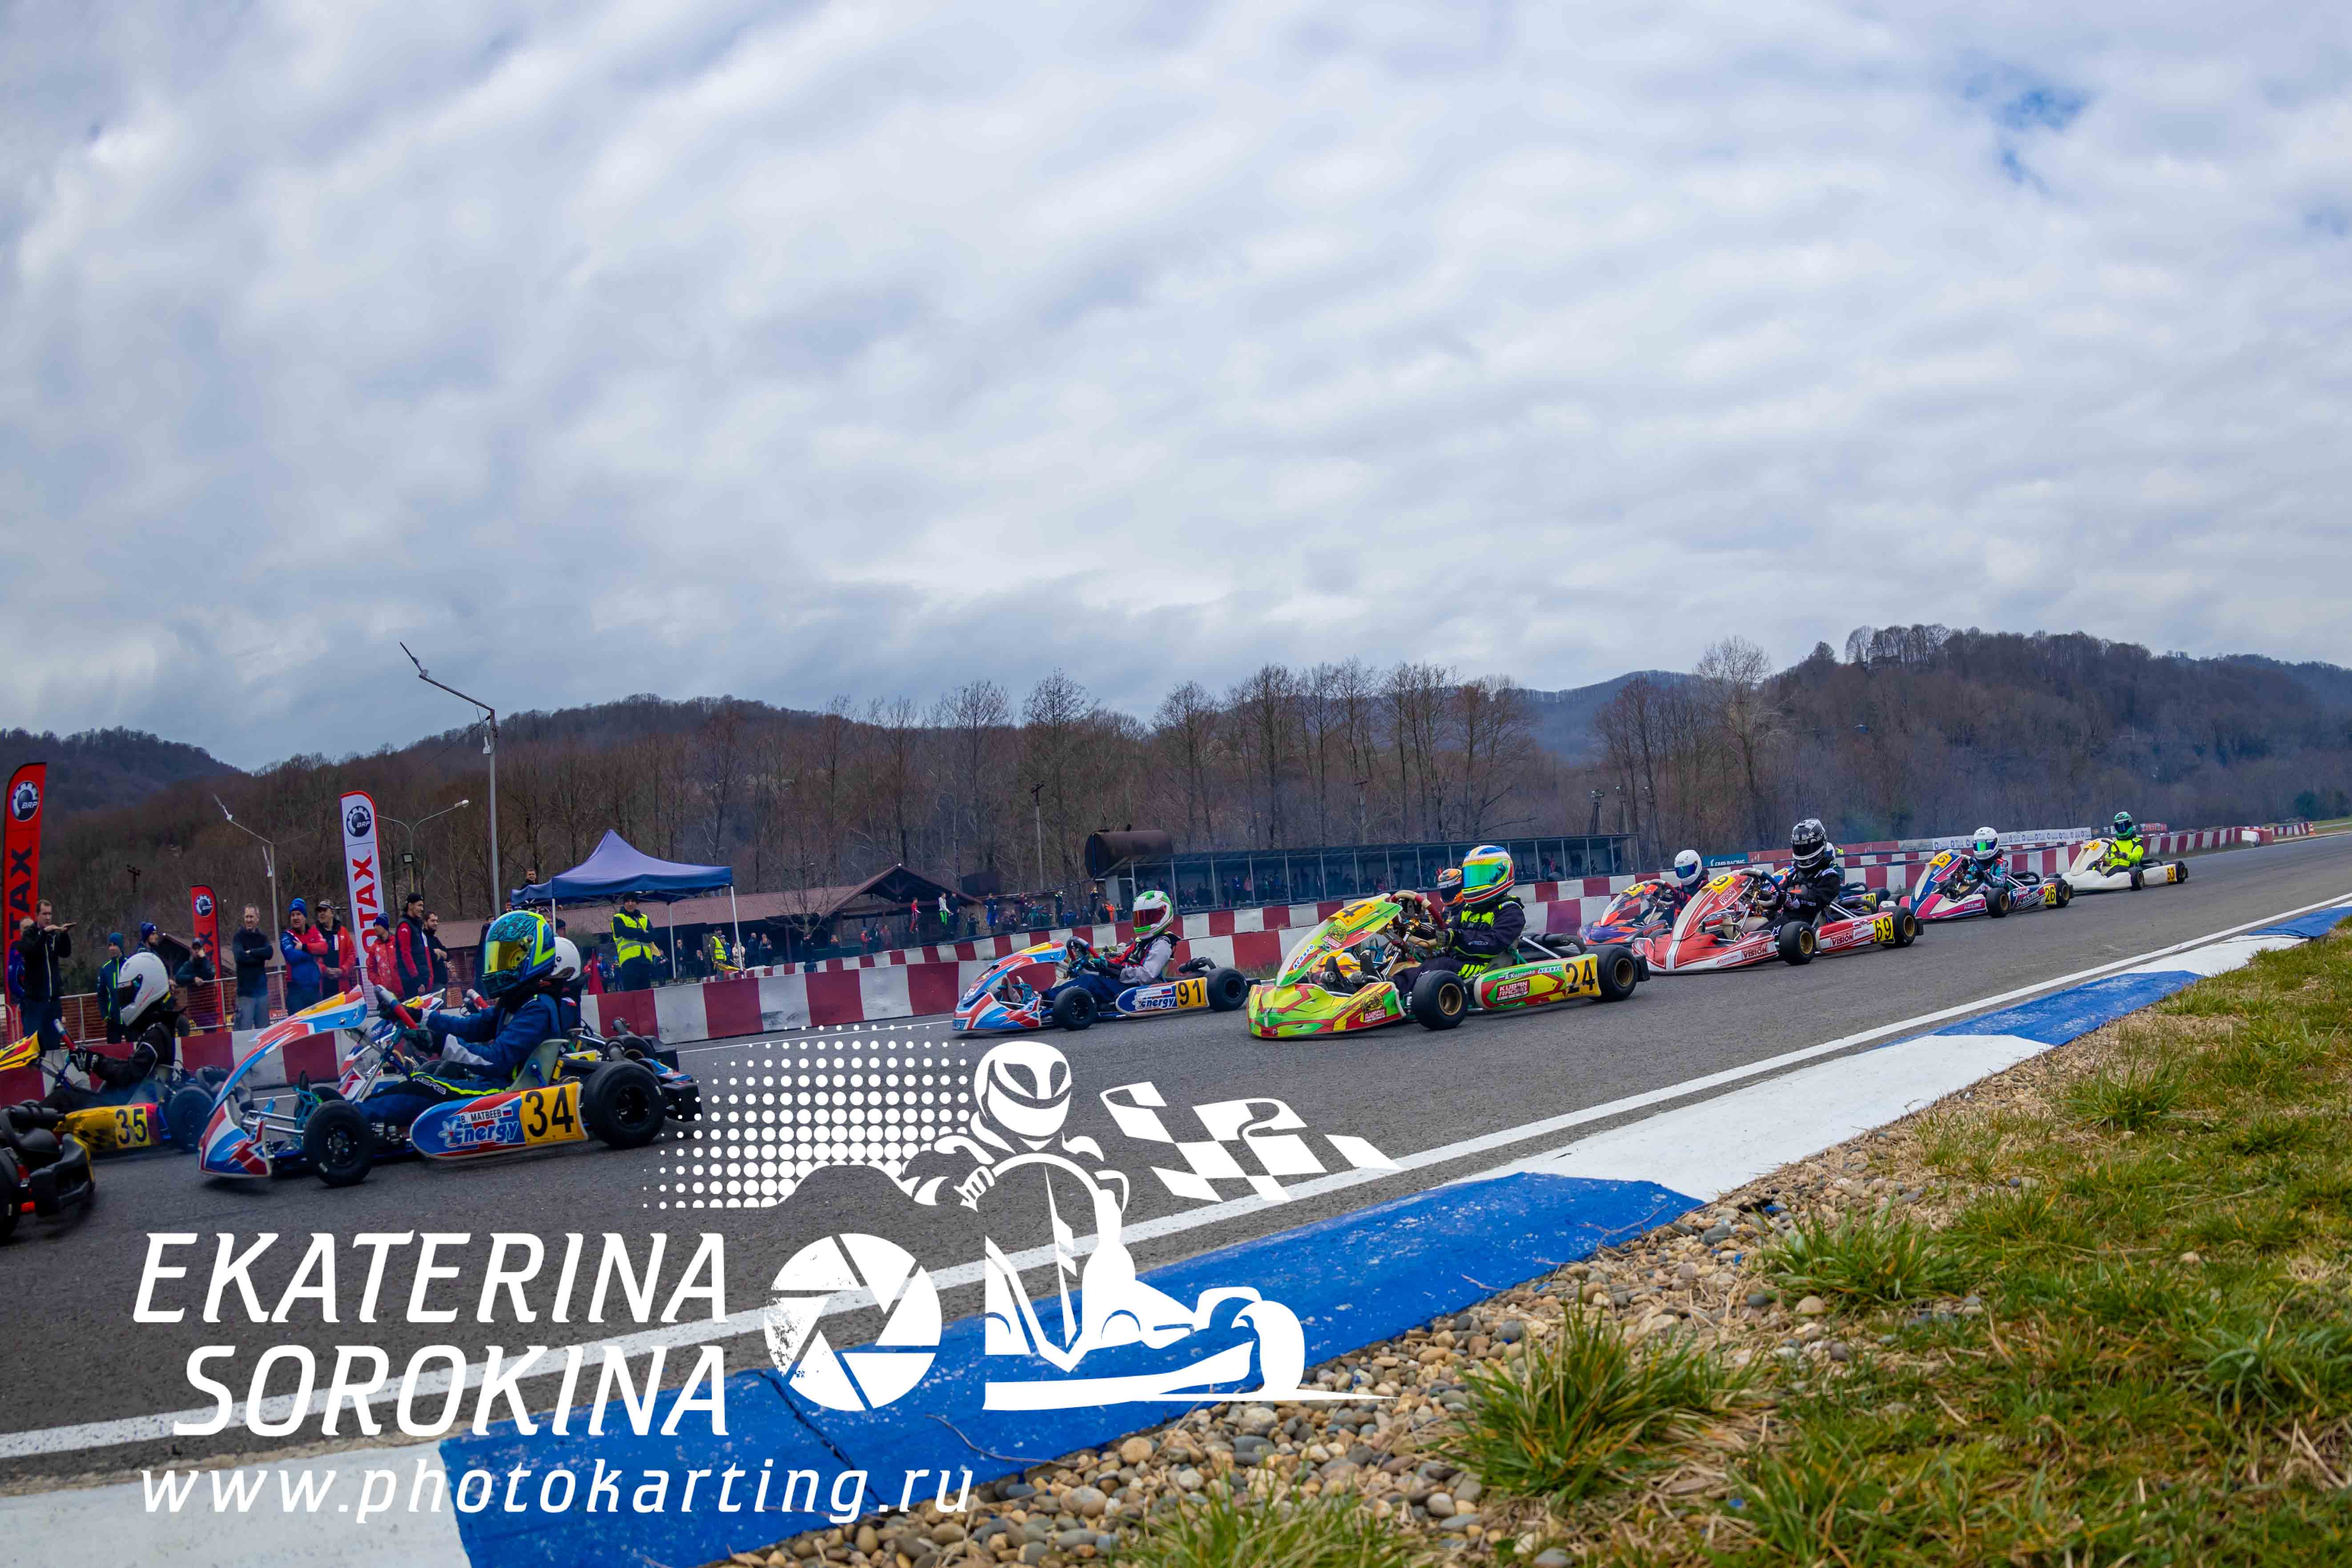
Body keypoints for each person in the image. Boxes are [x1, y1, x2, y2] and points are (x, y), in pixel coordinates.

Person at [36, 949, 177, 1111]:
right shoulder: (158, 1030)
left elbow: (128, 1075)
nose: (126, 1000)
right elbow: (131, 1068)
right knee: (65, 1092)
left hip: (127, 1111)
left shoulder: (156, 1034)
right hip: (126, 1103)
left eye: (129, 994)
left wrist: (95, 1062)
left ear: (147, 989)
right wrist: (93, 1058)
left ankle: (22, 1123)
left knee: (61, 1098)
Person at [13, 900, 74, 1052]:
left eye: (50, 914)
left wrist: (64, 935)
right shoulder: (30, 934)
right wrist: (44, 934)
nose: (48, 917)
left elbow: (65, 953)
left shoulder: (53, 934)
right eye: (44, 914)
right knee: (35, 1044)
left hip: (53, 1001)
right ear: (37, 915)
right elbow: (32, 951)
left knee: (54, 1044)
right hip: (36, 1001)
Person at [1765, 819, 1845, 930]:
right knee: (1757, 926)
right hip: (1786, 923)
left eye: (1807, 848)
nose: (1803, 852)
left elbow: (1817, 901)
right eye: (1799, 848)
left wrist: (1794, 899)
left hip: (1809, 926)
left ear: (1820, 844)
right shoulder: (1794, 876)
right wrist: (1766, 899)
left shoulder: (1829, 876)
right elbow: (1781, 896)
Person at [230, 905, 274, 1030]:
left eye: (251, 917)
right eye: (247, 917)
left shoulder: (263, 937)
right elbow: (239, 957)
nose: (249, 920)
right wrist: (260, 957)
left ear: (257, 918)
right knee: (242, 1032)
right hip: (245, 995)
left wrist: (251, 952)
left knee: (264, 1031)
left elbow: (270, 953)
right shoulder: (238, 937)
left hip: (262, 994)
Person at [279, 898, 326, 1013]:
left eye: (299, 914)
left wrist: (304, 947)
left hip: (315, 990)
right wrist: (312, 953)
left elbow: (324, 948)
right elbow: (292, 956)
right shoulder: (287, 936)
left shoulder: (314, 931)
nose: (295, 918)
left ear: (305, 917)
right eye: (293, 915)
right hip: (296, 992)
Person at [612, 892, 656, 993]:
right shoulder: (618, 918)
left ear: (637, 903)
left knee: (646, 995)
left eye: (633, 901)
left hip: (645, 961)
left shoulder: (644, 918)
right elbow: (624, 932)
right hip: (629, 962)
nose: (630, 904)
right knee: (631, 995)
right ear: (624, 903)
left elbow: (653, 936)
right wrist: (642, 932)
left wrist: (635, 935)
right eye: (627, 901)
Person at [174, 934, 217, 1032]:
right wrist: (193, 979)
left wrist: (204, 958)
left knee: (211, 1032)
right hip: (196, 1008)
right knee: (211, 1028)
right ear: (191, 950)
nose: (197, 951)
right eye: (195, 948)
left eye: (199, 948)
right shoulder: (188, 965)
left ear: (204, 949)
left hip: (210, 1006)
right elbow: (178, 978)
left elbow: (210, 975)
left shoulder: (209, 963)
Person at [314, 900, 359, 992]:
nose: (321, 914)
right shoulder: (314, 934)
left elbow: (352, 954)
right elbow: (311, 958)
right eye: (319, 911)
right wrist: (324, 970)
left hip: (342, 985)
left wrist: (343, 970)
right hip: (323, 987)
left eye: (325, 910)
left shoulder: (343, 932)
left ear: (333, 913)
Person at [393, 893, 433, 996]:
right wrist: (417, 981)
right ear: (410, 906)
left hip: (422, 980)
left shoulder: (416, 925)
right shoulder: (405, 926)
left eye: (423, 906)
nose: (422, 909)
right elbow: (406, 955)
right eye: (419, 905)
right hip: (414, 983)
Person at [96, 934, 127, 1044]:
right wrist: (105, 1015)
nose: (112, 948)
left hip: (130, 1017)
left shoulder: (130, 964)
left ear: (121, 947)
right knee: (114, 1051)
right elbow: (101, 995)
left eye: (115, 945)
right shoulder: (105, 969)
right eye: (110, 945)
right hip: (113, 1019)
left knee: (135, 1048)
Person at [2102, 812, 2147, 877]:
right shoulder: (2113, 844)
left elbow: (2137, 857)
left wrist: (2125, 855)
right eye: (2119, 827)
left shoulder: (2137, 842)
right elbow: (2109, 859)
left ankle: (2106, 879)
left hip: (2129, 871)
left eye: (2124, 826)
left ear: (2130, 825)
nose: (2122, 829)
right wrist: (2104, 861)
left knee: (2118, 868)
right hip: (2112, 871)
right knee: (2094, 866)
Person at [424, 912, 453, 991]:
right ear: (425, 922)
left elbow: (448, 956)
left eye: (437, 921)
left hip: (443, 982)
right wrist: (441, 958)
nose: (436, 923)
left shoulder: (435, 939)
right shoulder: (422, 939)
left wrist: (439, 951)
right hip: (433, 983)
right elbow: (432, 957)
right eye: (433, 921)